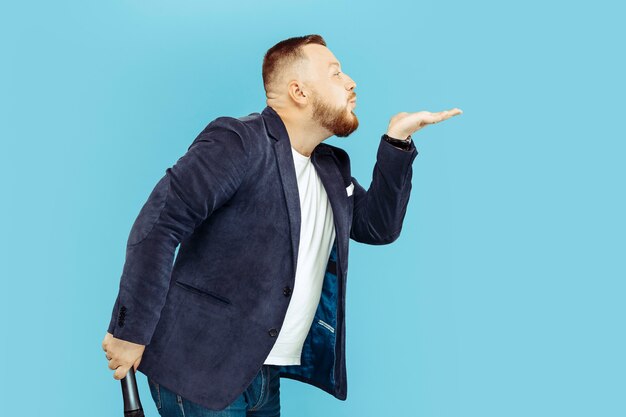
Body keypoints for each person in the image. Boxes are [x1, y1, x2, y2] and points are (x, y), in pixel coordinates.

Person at [101, 33, 462, 416]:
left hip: (262, 373)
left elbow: (378, 227)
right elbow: (159, 225)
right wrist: (129, 330)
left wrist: (397, 142)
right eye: (335, 73)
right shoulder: (238, 142)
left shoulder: (330, 167)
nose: (351, 82)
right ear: (299, 91)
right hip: (198, 367)